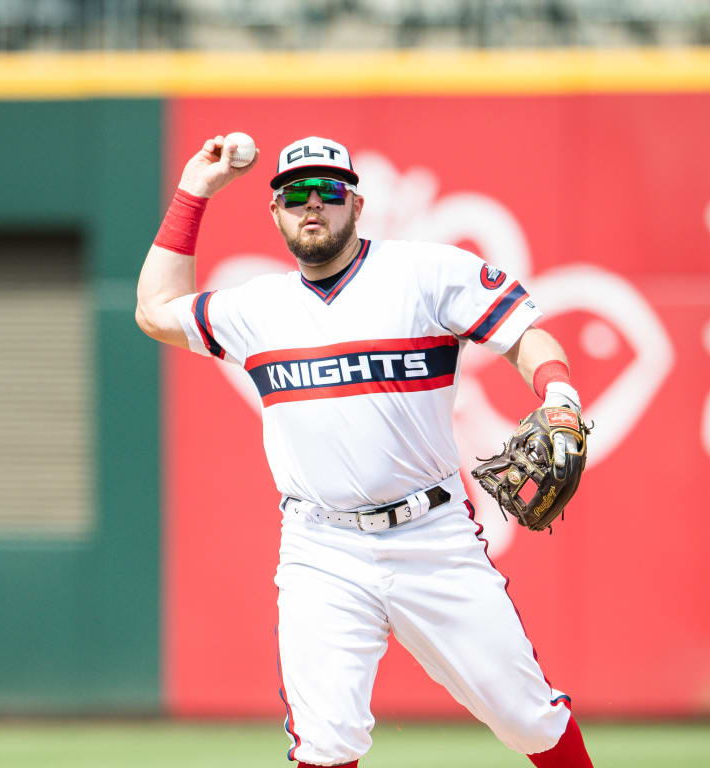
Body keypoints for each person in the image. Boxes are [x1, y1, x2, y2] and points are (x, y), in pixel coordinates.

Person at [135, 133, 595, 768]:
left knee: (527, 717)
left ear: (355, 203)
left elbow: (525, 334)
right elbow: (155, 311)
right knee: (326, 742)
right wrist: (194, 190)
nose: (312, 206)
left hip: (431, 536)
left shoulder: (426, 273)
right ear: (276, 214)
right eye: (296, 196)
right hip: (320, 548)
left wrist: (561, 399)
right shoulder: (256, 307)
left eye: (328, 192)